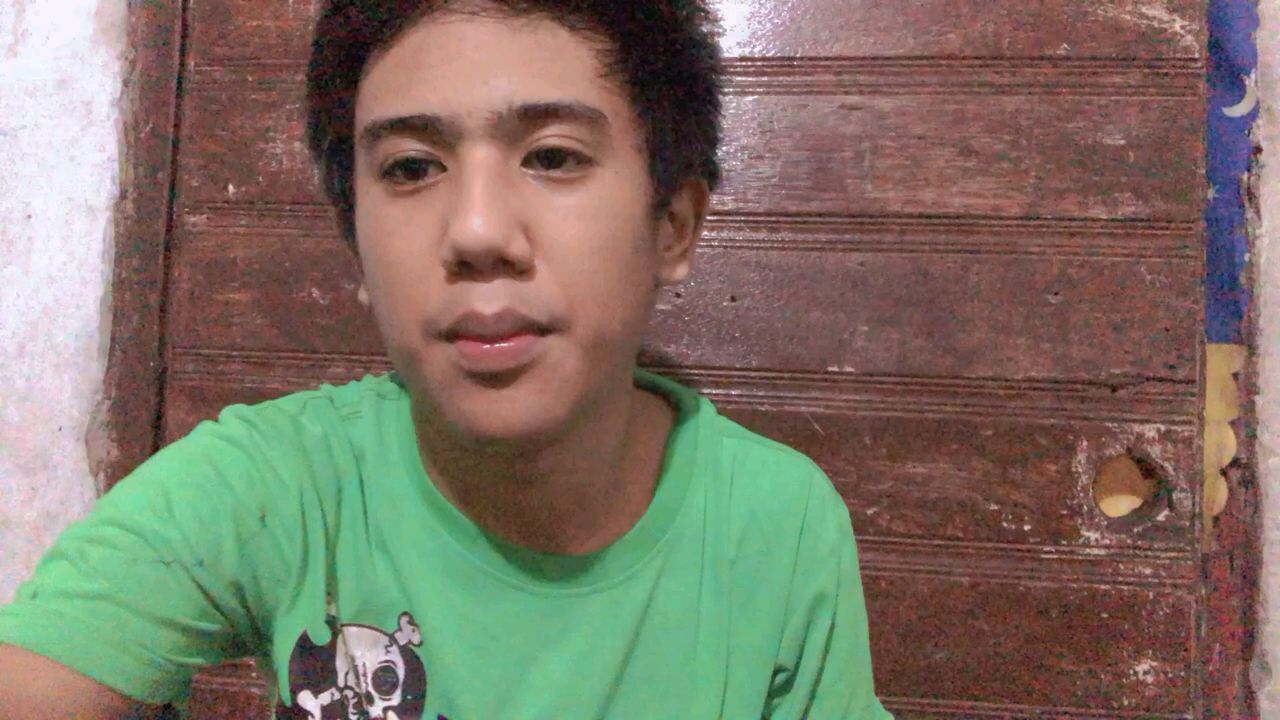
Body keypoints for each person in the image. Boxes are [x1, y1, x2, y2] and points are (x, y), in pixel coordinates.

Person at [0, 1, 892, 717]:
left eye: (552, 155)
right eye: (411, 169)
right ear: (355, 243)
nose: (475, 231)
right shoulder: (276, 483)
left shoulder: (772, 524)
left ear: (674, 227)